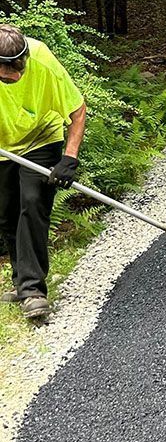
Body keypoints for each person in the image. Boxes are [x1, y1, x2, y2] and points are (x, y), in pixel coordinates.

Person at [0, 25, 86, 319]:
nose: (17, 77)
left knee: (34, 203)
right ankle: (20, 281)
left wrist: (69, 158)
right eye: (6, 76)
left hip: (41, 137)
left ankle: (33, 291)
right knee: (7, 213)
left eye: (19, 70)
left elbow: (77, 110)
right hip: (2, 144)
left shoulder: (43, 60)